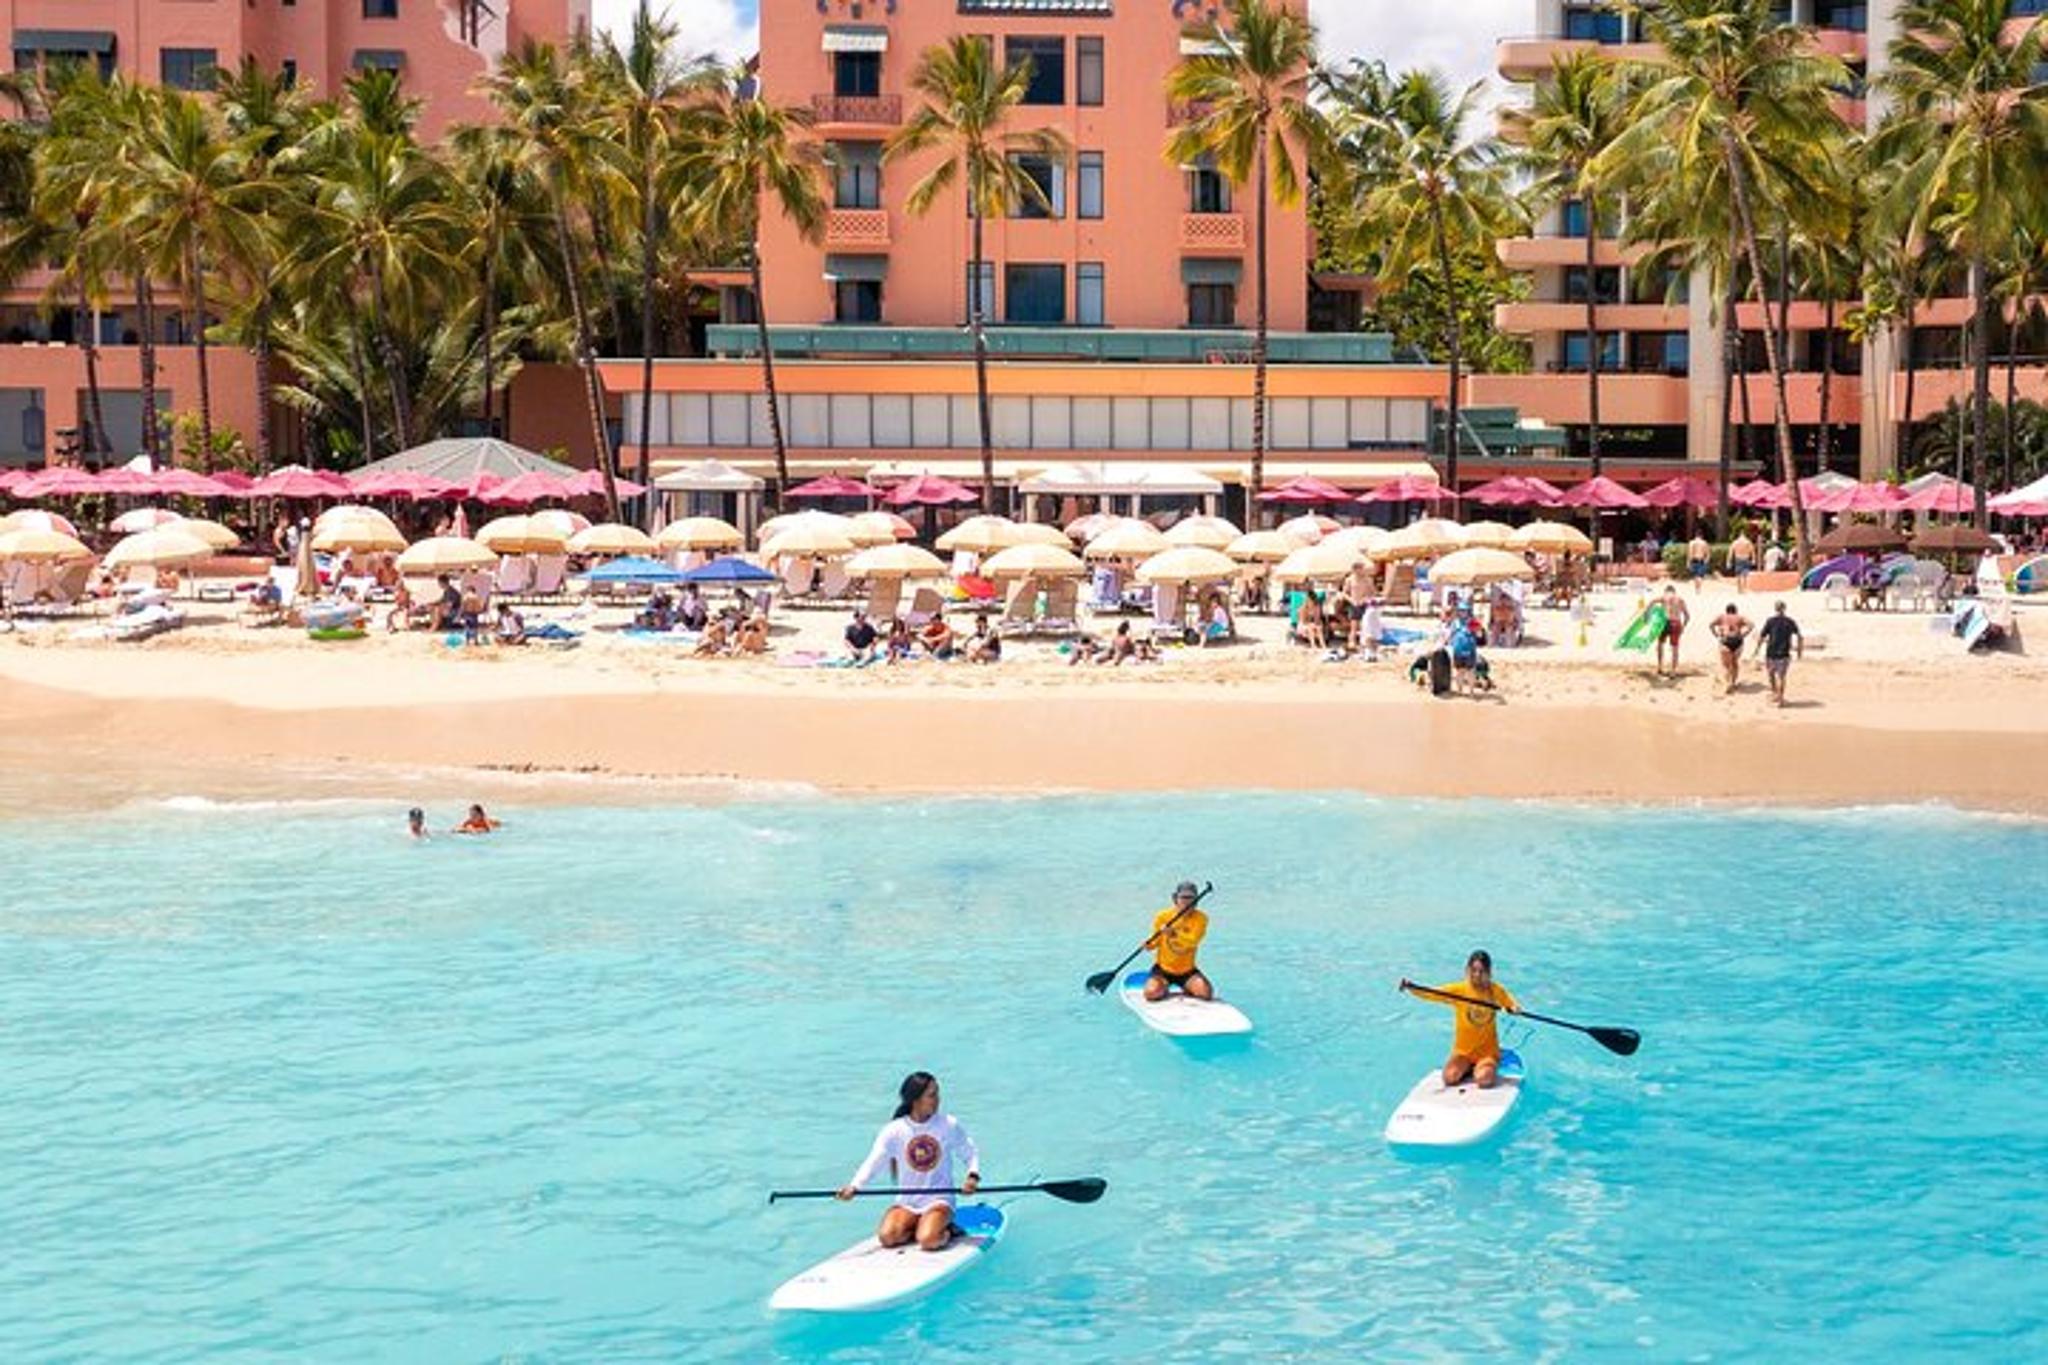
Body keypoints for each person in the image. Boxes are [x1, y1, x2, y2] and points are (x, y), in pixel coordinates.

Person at [836, 1071, 980, 1253]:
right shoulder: (894, 1130)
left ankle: (948, 1230)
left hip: (939, 1201)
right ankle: (918, 1227)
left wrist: (972, 1177)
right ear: (915, 1099)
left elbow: (970, 1152)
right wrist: (854, 1187)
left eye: (937, 1094)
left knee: (929, 1240)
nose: (937, 1100)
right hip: (907, 1202)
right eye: (932, 1095)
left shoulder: (947, 1124)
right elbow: (874, 1161)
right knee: (888, 1237)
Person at [1403, 950, 1520, 1089]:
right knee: (1449, 1078)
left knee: (1484, 1080)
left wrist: (1514, 1008)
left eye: (1482, 971)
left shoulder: (1495, 990)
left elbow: (1511, 1003)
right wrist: (1412, 988)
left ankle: (1482, 1067)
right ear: (1467, 970)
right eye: (1474, 970)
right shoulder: (1460, 990)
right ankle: (1469, 1068)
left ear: (1489, 972)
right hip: (1463, 1052)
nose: (1477, 975)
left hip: (1487, 1052)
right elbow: (1433, 994)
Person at [1141, 880, 1212, 1002]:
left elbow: (1193, 941)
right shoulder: (1163, 916)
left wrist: (1173, 933)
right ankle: (1163, 987)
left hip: (1187, 971)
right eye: (1184, 897)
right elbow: (1155, 941)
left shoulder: (1201, 918)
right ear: (1175, 898)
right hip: (1163, 970)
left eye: (1191, 898)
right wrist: (1148, 945)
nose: (1187, 902)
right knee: (1151, 994)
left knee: (1205, 994)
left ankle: (1187, 987)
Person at [1754, 600, 1803, 707]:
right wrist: (1799, 650)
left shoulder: (1770, 621)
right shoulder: (1790, 621)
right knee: (1781, 677)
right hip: (1784, 653)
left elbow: (1762, 636)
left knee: (1771, 675)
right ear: (1784, 609)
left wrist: (1757, 649)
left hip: (1771, 652)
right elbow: (1800, 636)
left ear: (1775, 609)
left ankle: (1775, 694)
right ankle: (1780, 699)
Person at [1710, 602, 1753, 694]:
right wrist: (1744, 634)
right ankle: (1733, 682)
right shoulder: (1740, 617)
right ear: (1735, 611)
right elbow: (1751, 625)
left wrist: (1716, 634)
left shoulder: (1722, 617)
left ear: (1727, 611)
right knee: (1734, 663)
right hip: (1737, 641)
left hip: (1726, 640)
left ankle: (1727, 683)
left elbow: (1711, 624)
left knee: (1725, 665)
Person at [1655, 583, 1690, 677]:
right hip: (1676, 622)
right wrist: (1683, 626)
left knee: (1660, 644)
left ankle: (1660, 667)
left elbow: (1651, 602)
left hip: (1665, 622)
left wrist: (1646, 613)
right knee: (1675, 648)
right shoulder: (1680, 600)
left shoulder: (1663, 598)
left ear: (1666, 591)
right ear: (1674, 592)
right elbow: (1687, 616)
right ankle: (1673, 671)